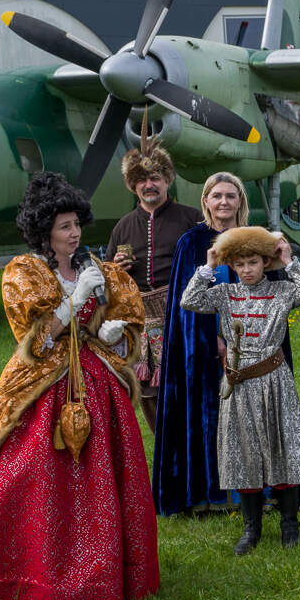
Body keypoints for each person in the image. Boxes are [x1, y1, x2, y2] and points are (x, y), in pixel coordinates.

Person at [0, 172, 159, 600]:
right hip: (44, 386)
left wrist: (111, 334)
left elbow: (112, 328)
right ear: (44, 232)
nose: (75, 233)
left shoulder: (96, 268)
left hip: (96, 383)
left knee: (106, 477)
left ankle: (108, 576)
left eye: (77, 224)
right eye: (64, 227)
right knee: (28, 477)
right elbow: (36, 342)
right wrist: (74, 302)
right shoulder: (24, 273)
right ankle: (33, 580)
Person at [151, 173, 300, 515]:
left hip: (257, 353)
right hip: (205, 353)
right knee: (210, 418)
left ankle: (266, 491)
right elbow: (186, 303)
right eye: (217, 195)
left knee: (259, 420)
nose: (223, 202)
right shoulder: (191, 243)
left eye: (230, 196)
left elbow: (275, 294)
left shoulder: (256, 239)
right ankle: (212, 493)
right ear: (205, 200)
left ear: (240, 201)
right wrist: (213, 340)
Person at [180, 227, 300, 553]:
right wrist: (209, 265)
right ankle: (251, 528)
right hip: (240, 384)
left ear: (265, 262)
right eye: (240, 263)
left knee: (281, 445)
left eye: (253, 262)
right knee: (243, 451)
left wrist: (288, 259)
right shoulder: (224, 293)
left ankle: (290, 524)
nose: (247, 269)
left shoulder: (282, 290)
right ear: (232, 265)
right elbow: (189, 300)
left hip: (274, 380)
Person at [106, 139, 203, 426]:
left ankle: (192, 445)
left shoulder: (191, 218)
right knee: (150, 394)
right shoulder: (123, 226)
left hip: (182, 316)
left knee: (188, 387)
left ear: (167, 180)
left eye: (155, 178)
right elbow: (108, 278)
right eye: (142, 180)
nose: (149, 185)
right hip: (141, 322)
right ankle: (163, 446)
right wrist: (115, 269)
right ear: (133, 186)